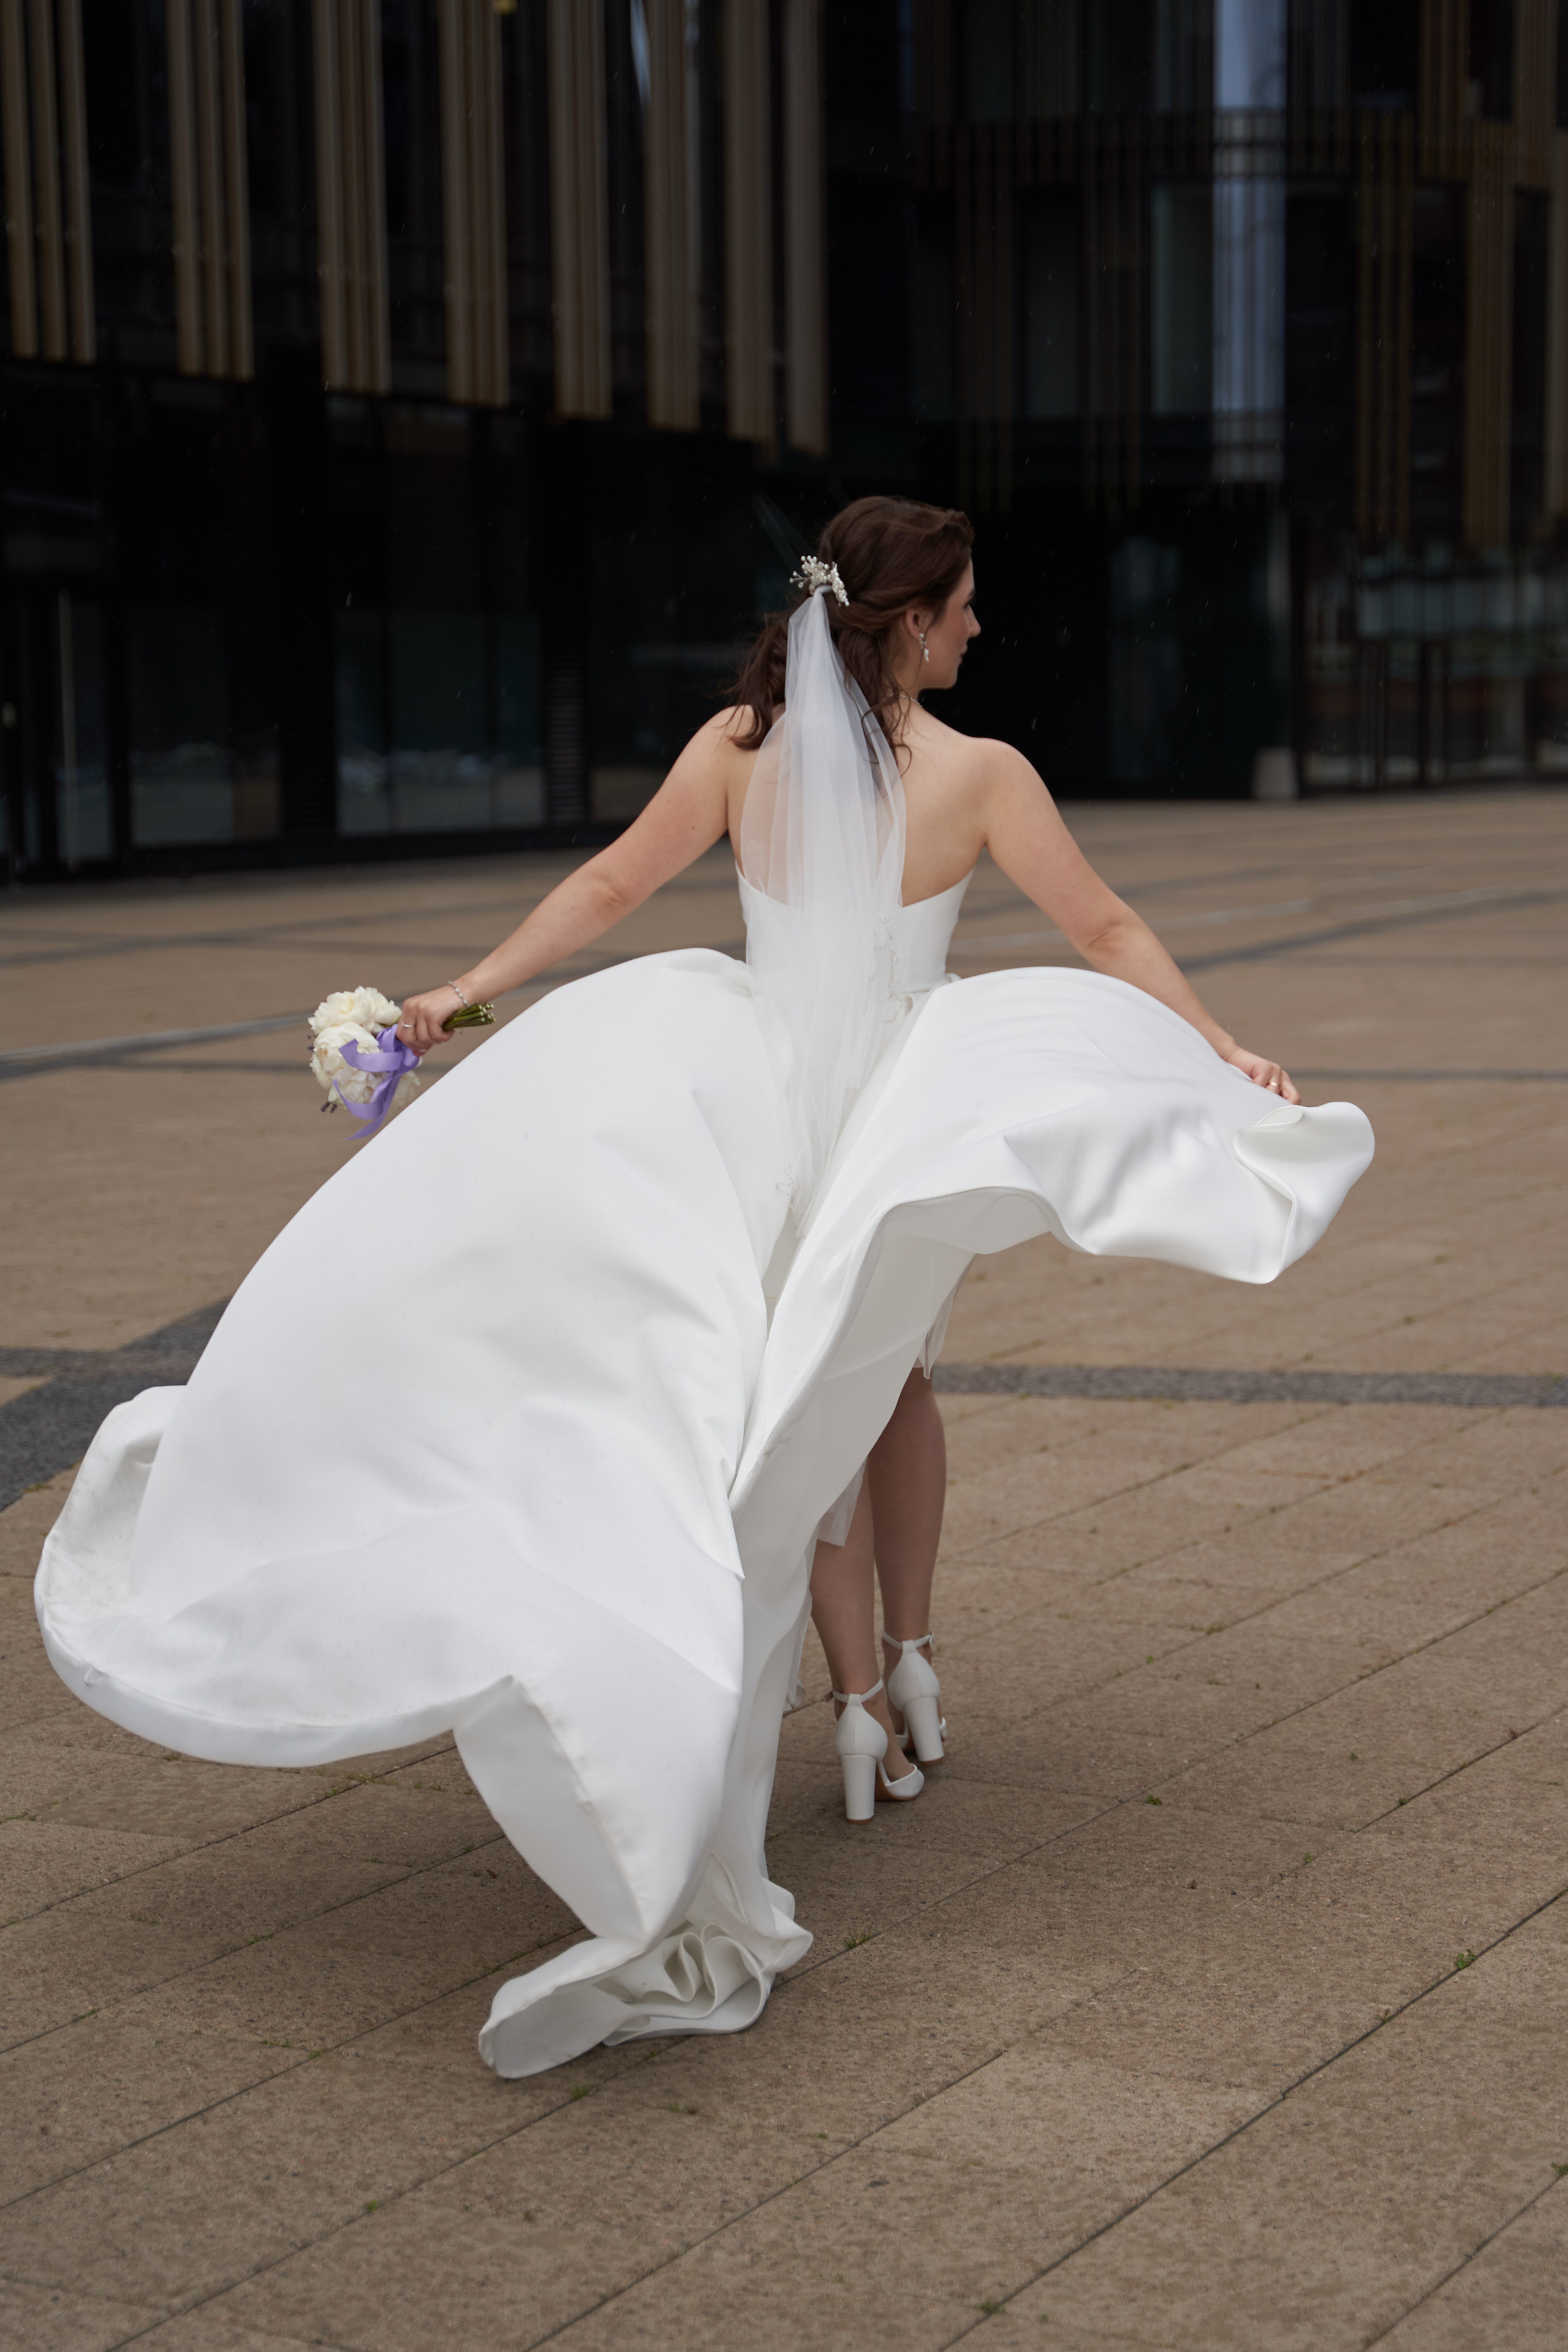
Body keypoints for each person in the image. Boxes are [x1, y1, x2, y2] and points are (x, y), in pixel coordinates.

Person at [36, 499, 1373, 2079]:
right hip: (889, 1110)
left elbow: (610, 888)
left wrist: (456, 1002)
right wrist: (1219, 1051)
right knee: (885, 1383)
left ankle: (855, 1688)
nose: (979, 630)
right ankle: (908, 1674)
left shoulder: (737, 750)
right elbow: (1105, 926)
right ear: (911, 619)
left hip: (734, 1107)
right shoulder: (982, 774)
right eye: (963, 609)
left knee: (769, 1398)